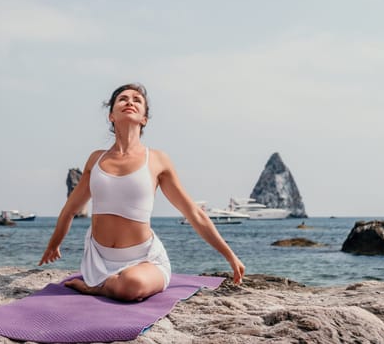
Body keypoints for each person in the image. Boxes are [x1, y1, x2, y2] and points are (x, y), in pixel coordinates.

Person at [39, 83, 245, 302]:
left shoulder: (157, 160)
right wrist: (54, 245)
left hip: (145, 260)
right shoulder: (96, 159)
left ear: (144, 119)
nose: (130, 102)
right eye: (123, 99)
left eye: (137, 100)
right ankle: (105, 282)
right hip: (99, 261)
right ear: (111, 115)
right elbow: (70, 210)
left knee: (132, 284)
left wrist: (230, 256)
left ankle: (99, 288)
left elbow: (194, 213)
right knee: (127, 285)